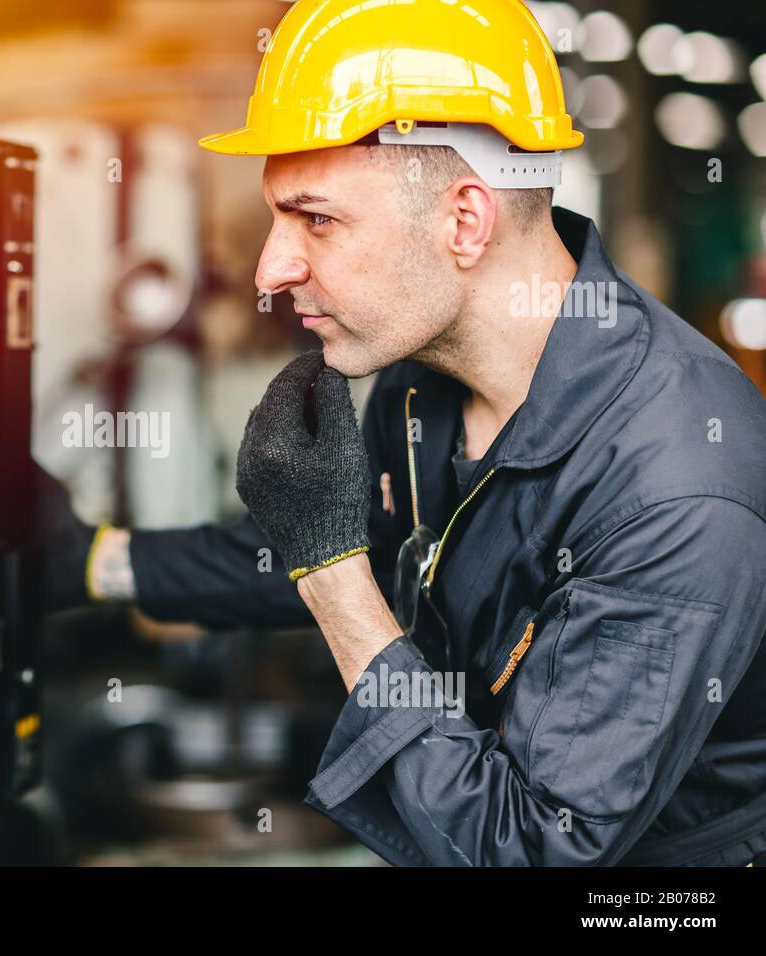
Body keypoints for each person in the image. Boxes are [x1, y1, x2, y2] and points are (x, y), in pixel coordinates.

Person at [41, 0, 766, 865]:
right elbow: (363, 550)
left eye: (317, 219)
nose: (271, 268)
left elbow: (532, 847)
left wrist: (331, 574)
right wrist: (93, 560)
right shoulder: (423, 380)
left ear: (465, 221)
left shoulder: (675, 488)